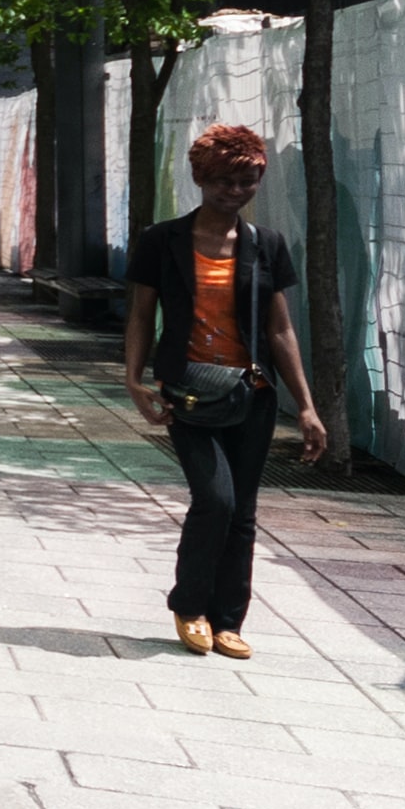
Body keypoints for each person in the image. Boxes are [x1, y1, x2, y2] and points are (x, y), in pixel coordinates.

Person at [122, 123, 330, 658]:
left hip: (251, 393)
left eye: (246, 182)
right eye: (223, 181)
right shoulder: (162, 240)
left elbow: (280, 330)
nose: (235, 192)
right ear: (200, 178)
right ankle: (189, 605)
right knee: (215, 499)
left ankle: (228, 619)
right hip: (188, 392)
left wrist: (306, 407)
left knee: (242, 512)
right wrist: (135, 380)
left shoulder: (266, 245)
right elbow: (142, 314)